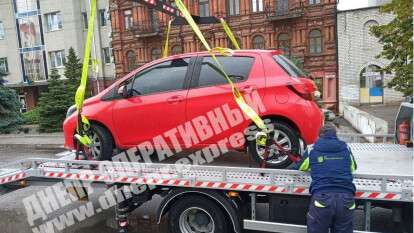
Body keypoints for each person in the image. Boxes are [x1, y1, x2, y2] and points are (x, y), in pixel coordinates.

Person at [294, 123, 357, 233]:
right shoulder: (346, 147)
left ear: (319, 136)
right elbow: (353, 167)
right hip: (346, 198)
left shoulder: (312, 149)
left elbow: (301, 166)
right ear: (336, 135)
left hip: (322, 198)